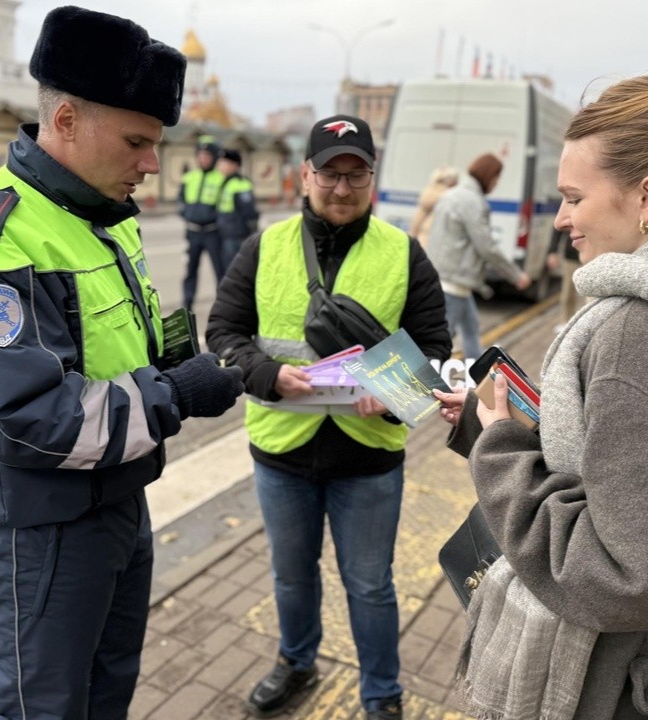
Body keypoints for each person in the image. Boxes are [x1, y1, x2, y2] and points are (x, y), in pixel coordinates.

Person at [0, 7, 245, 720]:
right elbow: (30, 422)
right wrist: (176, 395)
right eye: (136, 142)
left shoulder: (95, 218)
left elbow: (130, 346)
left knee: (107, 688)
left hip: (117, 501)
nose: (153, 164)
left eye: (156, 144)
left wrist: (210, 361)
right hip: (45, 529)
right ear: (65, 120)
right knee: (45, 707)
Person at [434, 75, 648, 719]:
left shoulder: (635, 334)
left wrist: (503, 453)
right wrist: (496, 426)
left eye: (573, 197)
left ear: (647, 197)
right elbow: (632, 475)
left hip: (608, 683)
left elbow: (640, 575)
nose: (562, 218)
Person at [206, 114, 451, 720]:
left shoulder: (403, 251)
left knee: (370, 585)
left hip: (367, 457)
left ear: (372, 177)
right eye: (329, 174)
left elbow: (435, 347)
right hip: (281, 452)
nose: (342, 188)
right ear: (305, 175)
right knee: (291, 578)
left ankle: (381, 694)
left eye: (356, 174)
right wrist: (264, 374)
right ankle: (296, 660)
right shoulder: (263, 246)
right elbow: (223, 330)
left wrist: (395, 389)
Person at [425, 153, 530, 361]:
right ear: (488, 176)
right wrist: (516, 275)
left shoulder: (450, 195)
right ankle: (425, 387)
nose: (496, 184)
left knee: (471, 330)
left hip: (445, 278)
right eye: (496, 178)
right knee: (440, 344)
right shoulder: (473, 201)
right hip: (453, 283)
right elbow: (487, 246)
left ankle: (479, 377)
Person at [179, 134, 226, 309]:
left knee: (220, 271)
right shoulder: (189, 177)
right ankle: (187, 305)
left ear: (214, 158)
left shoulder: (221, 179)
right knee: (190, 271)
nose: (203, 159)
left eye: (207, 156)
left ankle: (223, 306)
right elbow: (180, 200)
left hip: (213, 233)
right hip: (193, 233)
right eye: (200, 155)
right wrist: (185, 213)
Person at [216, 148, 260, 271]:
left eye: (224, 163)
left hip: (237, 237)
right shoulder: (226, 182)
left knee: (235, 271)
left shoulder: (241, 184)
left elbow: (249, 213)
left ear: (234, 165)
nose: (220, 166)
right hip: (226, 235)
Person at [408, 166, 458, 248]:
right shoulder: (452, 198)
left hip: (422, 242)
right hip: (440, 245)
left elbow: (416, 223)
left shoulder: (427, 195)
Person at [546, 227, 583, 332]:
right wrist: (552, 251)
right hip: (571, 255)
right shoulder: (570, 212)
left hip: (592, 255)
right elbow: (557, 229)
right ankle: (566, 322)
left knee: (591, 295)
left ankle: (588, 326)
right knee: (568, 291)